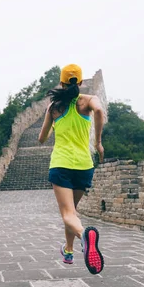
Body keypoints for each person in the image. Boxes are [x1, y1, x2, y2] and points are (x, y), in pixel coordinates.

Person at [38, 64, 105, 274]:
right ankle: (68, 251)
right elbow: (100, 111)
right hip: (84, 165)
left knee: (67, 214)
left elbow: (42, 138)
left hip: (61, 164)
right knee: (73, 212)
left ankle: (85, 237)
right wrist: (98, 143)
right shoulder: (89, 100)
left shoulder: (54, 107)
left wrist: (55, 126)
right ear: (81, 82)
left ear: (62, 83)